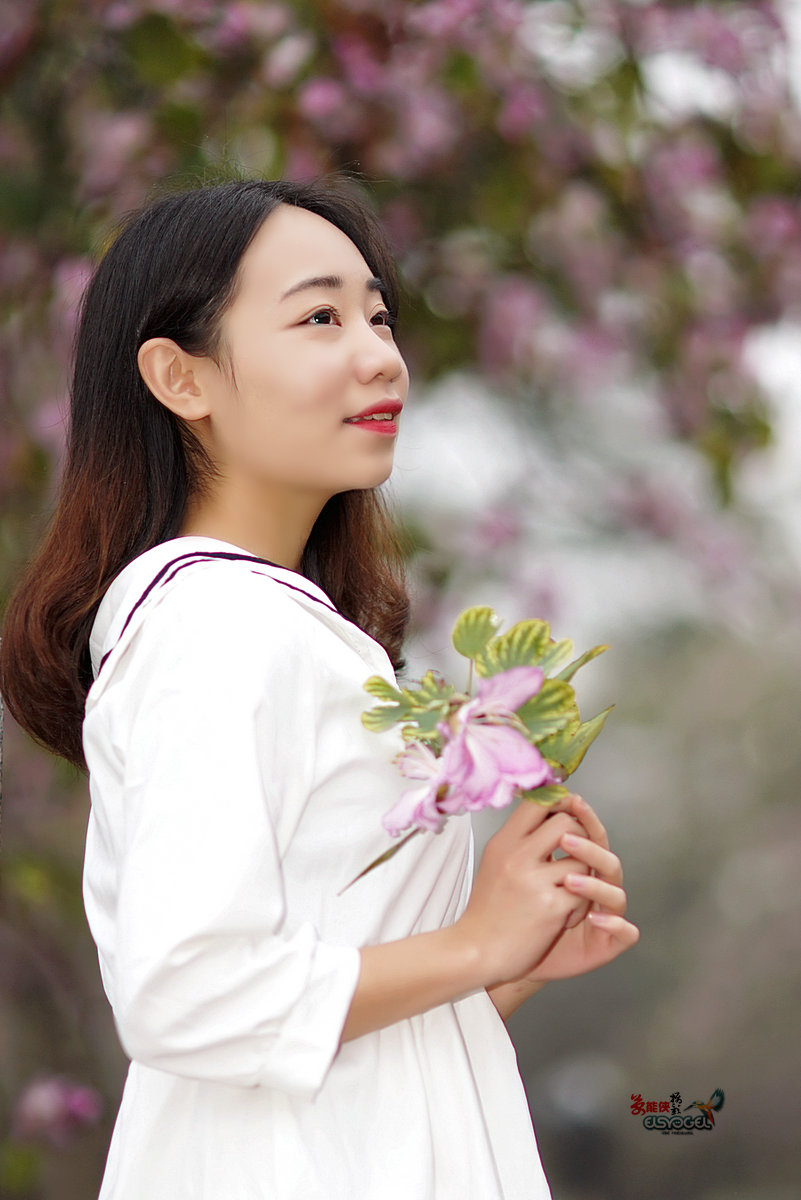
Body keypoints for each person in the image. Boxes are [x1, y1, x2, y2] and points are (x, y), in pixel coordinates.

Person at [0, 178, 639, 1199]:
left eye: (380, 316)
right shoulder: (214, 627)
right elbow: (185, 993)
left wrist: (492, 969)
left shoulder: (277, 627)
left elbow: (294, 1030)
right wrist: (472, 940)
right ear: (181, 376)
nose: (381, 353)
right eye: (321, 317)